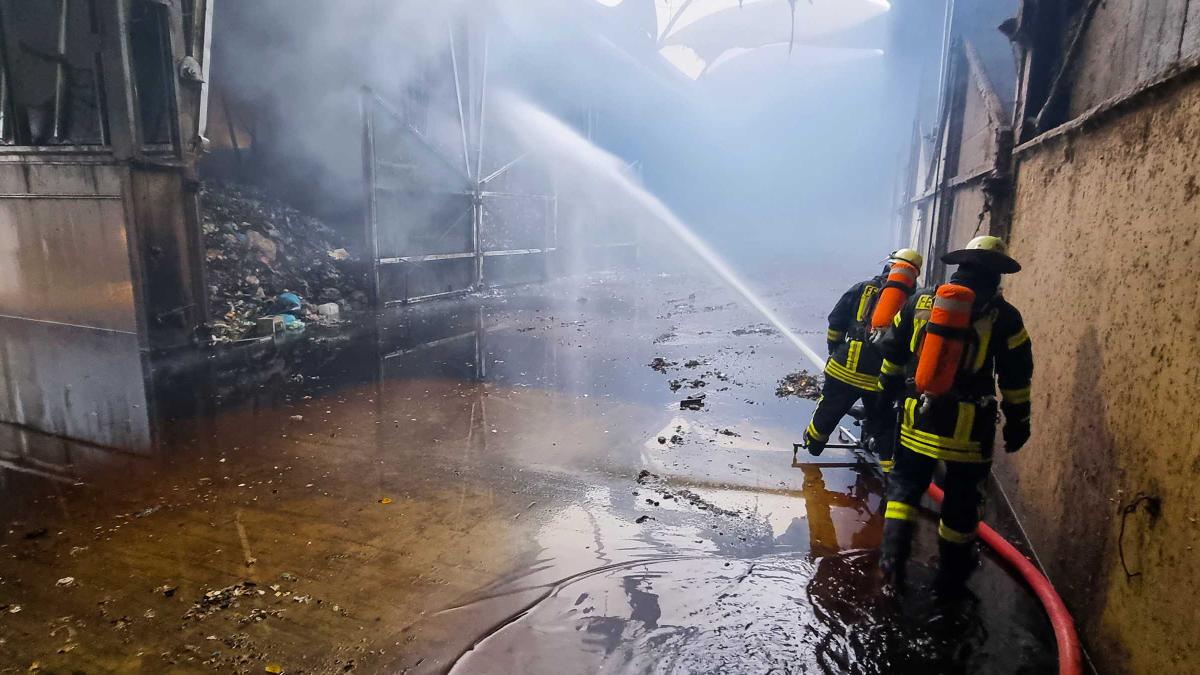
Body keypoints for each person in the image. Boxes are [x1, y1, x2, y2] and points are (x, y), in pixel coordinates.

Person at [874, 236, 1033, 595]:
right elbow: (1016, 375)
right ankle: (950, 576)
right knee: (962, 498)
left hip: (918, 418)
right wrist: (1018, 422)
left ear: (960, 266)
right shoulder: (1004, 316)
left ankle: (891, 562)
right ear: (996, 274)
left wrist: (887, 391)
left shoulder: (922, 300)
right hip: (969, 427)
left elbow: (892, 348)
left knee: (904, 487)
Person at [801, 248, 924, 473]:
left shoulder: (861, 288)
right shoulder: (915, 300)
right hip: (883, 377)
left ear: (889, 266)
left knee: (828, 409)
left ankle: (813, 447)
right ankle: (889, 470)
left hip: (845, 367)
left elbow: (836, 322)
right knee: (885, 422)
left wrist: (835, 350)